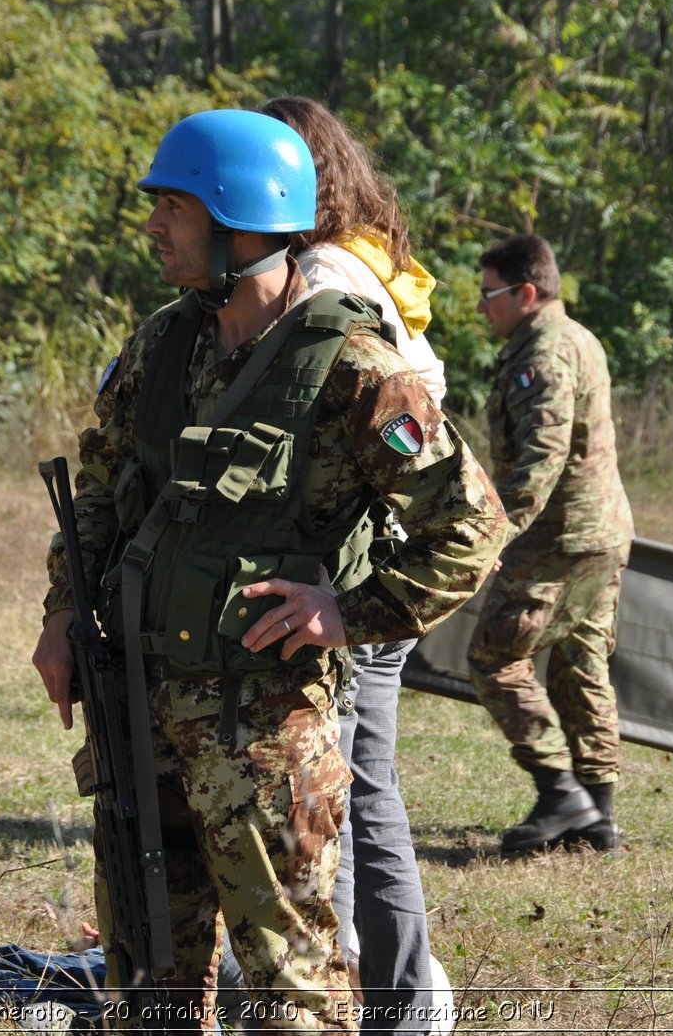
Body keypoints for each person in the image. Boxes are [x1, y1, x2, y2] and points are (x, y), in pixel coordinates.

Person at [32, 109, 506, 1033]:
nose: (154, 225)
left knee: (292, 989)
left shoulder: (353, 364)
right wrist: (60, 616)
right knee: (147, 987)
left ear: (240, 219)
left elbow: (472, 523)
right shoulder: (165, 341)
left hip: (265, 740)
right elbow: (98, 491)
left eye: (173, 205)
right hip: (138, 711)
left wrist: (350, 610)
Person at [260, 94, 444, 1036]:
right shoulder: (367, 255)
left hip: (359, 576)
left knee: (365, 794)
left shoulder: (326, 272)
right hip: (362, 569)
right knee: (364, 787)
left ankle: (407, 1006)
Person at [466, 234, 634, 855]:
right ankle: (598, 819)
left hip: (558, 540)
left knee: (493, 659)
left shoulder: (545, 353)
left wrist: (491, 533)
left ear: (525, 293)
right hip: (600, 535)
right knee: (580, 665)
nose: (483, 309)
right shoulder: (576, 337)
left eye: (490, 295)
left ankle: (560, 793)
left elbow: (542, 456)